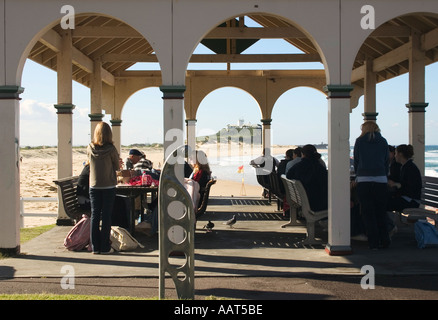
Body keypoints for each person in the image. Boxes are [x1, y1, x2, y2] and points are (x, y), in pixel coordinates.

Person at [353, 121, 390, 250]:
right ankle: (385, 240)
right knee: (381, 211)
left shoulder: (360, 141)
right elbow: (386, 160)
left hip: (364, 180)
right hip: (381, 179)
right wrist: (384, 174)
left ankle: (373, 242)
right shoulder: (383, 141)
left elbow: (356, 160)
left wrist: (359, 173)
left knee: (368, 213)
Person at [87, 122, 121, 254]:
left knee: (95, 215)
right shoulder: (111, 149)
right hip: (108, 184)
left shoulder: (90, 147)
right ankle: (105, 246)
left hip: (94, 185)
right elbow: (117, 167)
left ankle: (95, 246)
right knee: (106, 215)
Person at [286, 144, 328, 212]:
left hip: (303, 200)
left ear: (302, 154)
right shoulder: (320, 167)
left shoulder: (298, 166)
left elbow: (288, 175)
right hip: (317, 203)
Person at [387, 144, 422, 212]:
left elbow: (411, 189)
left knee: (383, 203)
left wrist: (397, 185)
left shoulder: (410, 168)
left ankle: (386, 222)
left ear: (400, 154)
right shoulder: (405, 166)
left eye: (396, 153)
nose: (395, 155)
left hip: (411, 201)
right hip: (408, 199)